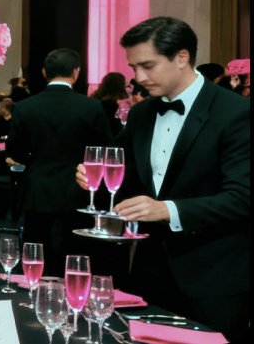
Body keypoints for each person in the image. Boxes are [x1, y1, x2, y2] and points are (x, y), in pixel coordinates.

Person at [73, 17, 249, 341]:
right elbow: (124, 176)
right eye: (133, 67)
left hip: (214, 278)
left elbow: (242, 199)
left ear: (181, 58)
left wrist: (167, 210)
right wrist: (92, 178)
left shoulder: (236, 113)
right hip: (150, 273)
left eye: (148, 66)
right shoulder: (142, 114)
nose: (138, 78)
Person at [6, 48, 112, 275]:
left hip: (38, 190)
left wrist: (34, 159)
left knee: (37, 254)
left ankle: (35, 291)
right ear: (76, 72)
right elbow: (104, 149)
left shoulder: (25, 107)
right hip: (78, 190)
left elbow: (15, 150)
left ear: (45, 72)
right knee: (75, 255)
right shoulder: (91, 106)